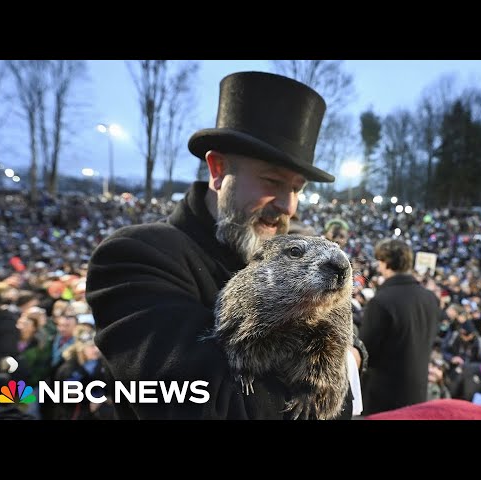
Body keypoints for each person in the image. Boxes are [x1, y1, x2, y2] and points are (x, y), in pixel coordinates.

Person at [87, 71, 361, 419]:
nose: (288, 205)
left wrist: (350, 353)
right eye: (272, 180)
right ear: (217, 170)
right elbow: (209, 405)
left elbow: (346, 330)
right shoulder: (135, 255)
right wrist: (346, 365)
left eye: (296, 188)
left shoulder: (294, 244)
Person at [358, 239, 443, 415]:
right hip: (417, 393)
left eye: (380, 261)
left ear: (386, 263)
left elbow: (366, 352)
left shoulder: (381, 301)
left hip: (383, 397)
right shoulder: (430, 298)